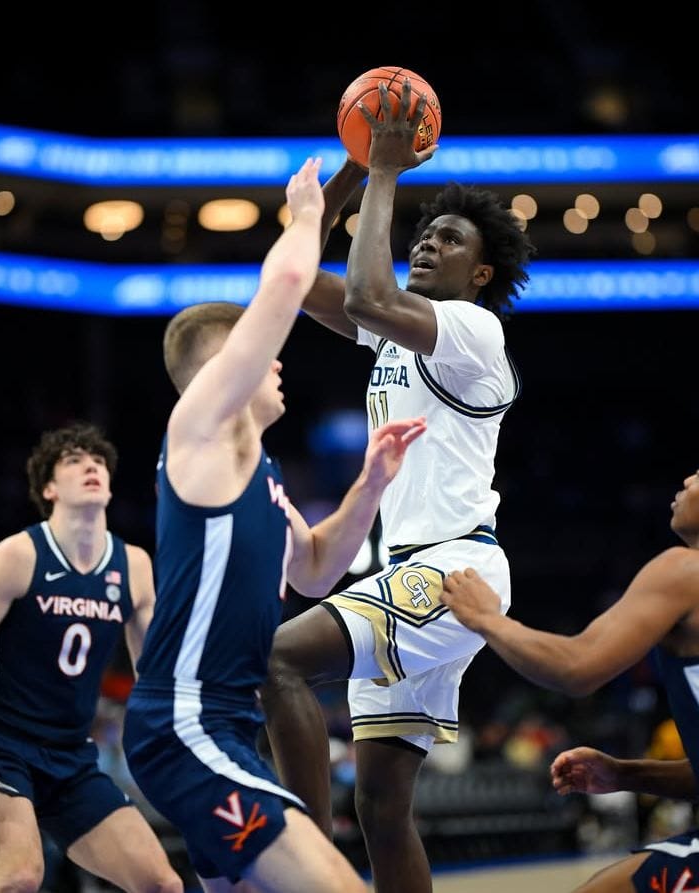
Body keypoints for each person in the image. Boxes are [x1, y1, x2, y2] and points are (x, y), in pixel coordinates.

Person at [259, 79, 536, 893]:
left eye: (447, 240)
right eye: (423, 234)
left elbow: (368, 293)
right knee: (382, 807)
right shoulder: (395, 334)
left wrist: (384, 169)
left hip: (453, 569)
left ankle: (301, 867)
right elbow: (294, 279)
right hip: (411, 571)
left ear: (480, 272)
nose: (425, 244)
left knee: (275, 660)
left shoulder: (474, 330)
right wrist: (351, 169)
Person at [121, 156, 426, 893]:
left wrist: (371, 484)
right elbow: (286, 282)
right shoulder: (199, 429)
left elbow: (317, 569)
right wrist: (307, 212)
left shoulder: (259, 474)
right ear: (226, 368)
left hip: (227, 727)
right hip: (186, 723)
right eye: (265, 354)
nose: (280, 363)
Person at [439, 469, 699, 892]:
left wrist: (485, 618)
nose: (687, 480)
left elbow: (576, 668)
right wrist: (624, 775)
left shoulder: (685, 571)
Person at [0, 421, 183, 893]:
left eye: (98, 461)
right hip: (1, 745)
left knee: (163, 884)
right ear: (48, 488)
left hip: (71, 756)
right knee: (17, 878)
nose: (91, 466)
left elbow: (156, 675)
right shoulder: (17, 556)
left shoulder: (133, 565)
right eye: (73, 461)